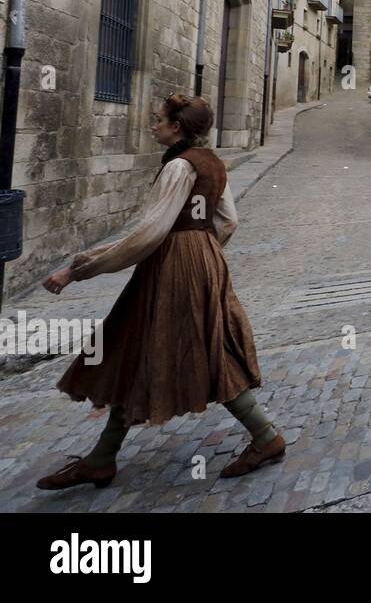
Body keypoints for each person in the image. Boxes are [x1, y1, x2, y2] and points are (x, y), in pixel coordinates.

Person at [37, 95, 283, 490]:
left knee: (183, 350)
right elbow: (228, 222)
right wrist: (204, 254)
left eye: (158, 120)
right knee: (143, 349)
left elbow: (148, 233)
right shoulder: (213, 163)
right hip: (205, 258)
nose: (153, 125)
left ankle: (266, 437)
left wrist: (79, 270)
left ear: (177, 128)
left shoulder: (179, 167)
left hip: (173, 266)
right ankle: (102, 458)